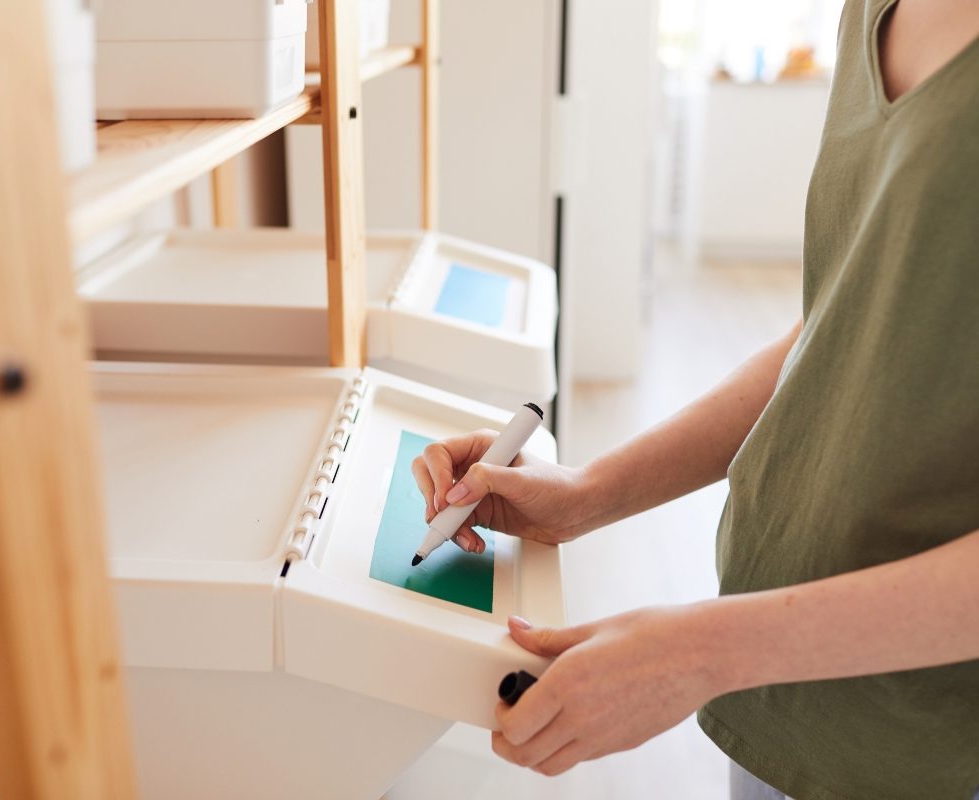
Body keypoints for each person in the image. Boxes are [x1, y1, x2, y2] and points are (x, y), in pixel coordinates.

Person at [411, 0, 979, 797]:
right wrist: (586, 493)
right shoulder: (872, 13)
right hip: (783, 686)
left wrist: (704, 652)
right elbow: (843, 321)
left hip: (926, 738)